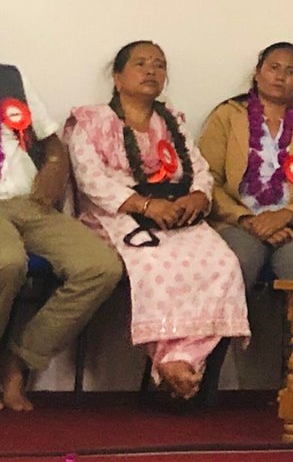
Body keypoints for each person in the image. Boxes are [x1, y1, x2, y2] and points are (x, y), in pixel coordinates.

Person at [64, 41, 248, 401]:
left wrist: (198, 196)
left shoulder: (172, 121)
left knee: (223, 263)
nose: (151, 70)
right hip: (117, 216)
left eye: (159, 65)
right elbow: (90, 180)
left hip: (175, 213)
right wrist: (145, 206)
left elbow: (199, 169)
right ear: (117, 78)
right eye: (141, 63)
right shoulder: (91, 121)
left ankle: (183, 360)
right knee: (155, 261)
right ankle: (170, 361)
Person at [0, 0, 122, 412]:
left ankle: (18, 360)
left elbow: (51, 140)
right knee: (5, 262)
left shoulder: (10, 78)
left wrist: (54, 166)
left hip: (28, 201)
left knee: (100, 267)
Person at [199, 42, 293, 291]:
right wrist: (247, 220)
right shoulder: (227, 116)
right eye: (273, 68)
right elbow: (207, 179)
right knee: (238, 261)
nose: (280, 76)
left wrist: (286, 216)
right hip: (238, 221)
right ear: (258, 73)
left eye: (291, 71)